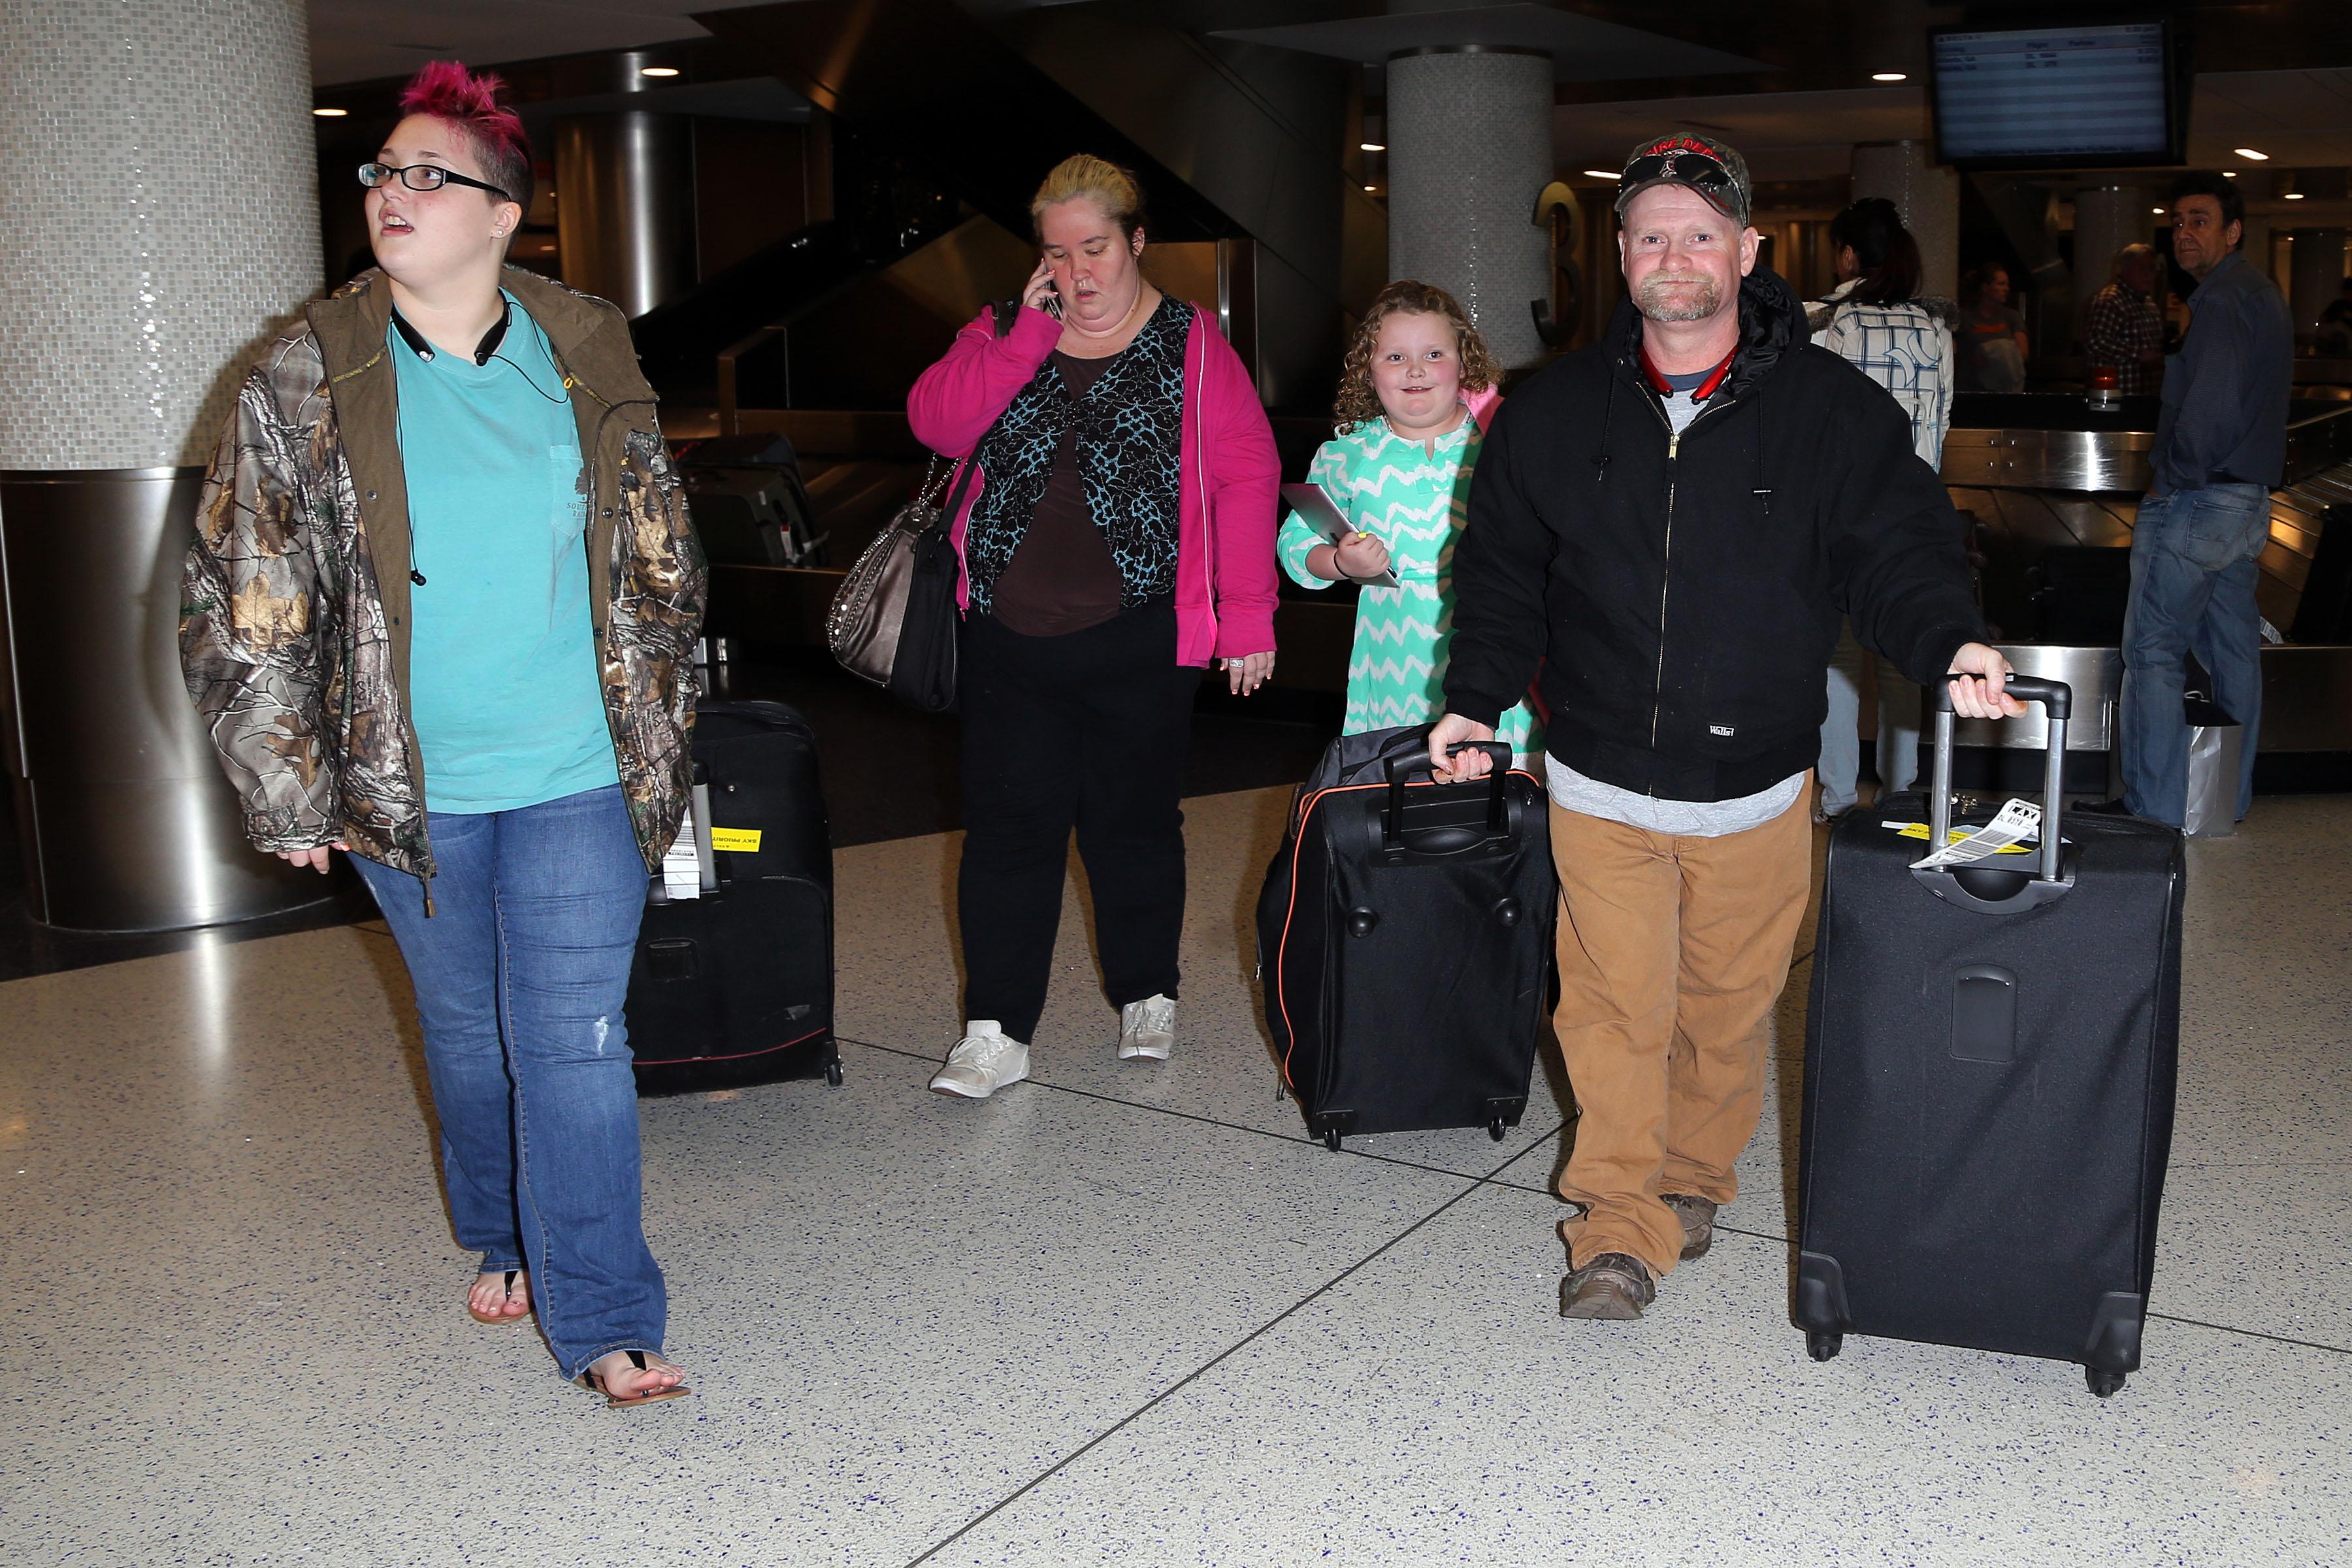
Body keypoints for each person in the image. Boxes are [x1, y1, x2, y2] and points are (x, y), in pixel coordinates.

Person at [180, 62, 704, 1406]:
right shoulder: (300, 375)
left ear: (501, 213)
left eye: (428, 175)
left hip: (583, 766)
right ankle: (504, 1231)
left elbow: (659, 556)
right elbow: (246, 597)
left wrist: (666, 726)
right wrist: (291, 791)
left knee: (574, 1039)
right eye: (381, 174)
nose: (392, 195)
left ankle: (603, 1312)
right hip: (407, 782)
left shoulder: (586, 345)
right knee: (468, 1037)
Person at [1426, 132, 2018, 1321]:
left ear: (1747, 252)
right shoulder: (1550, 417)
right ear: (1623, 254)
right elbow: (1499, 572)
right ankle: (1619, 1226)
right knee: (1612, 1010)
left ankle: (1694, 1180)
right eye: (1652, 233)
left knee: (1724, 1007)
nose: (1676, 255)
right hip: (1597, 776)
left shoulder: (1831, 415)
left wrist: (1948, 642)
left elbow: (1896, 551)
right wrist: (1471, 698)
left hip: (1756, 784)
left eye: (1702, 233)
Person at [906, 155, 1279, 1100]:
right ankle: (995, 1029)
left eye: (1096, 248)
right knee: (1007, 830)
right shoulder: (1002, 328)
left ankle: (1147, 991)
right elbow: (939, 427)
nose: (1077, 272)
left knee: (1135, 823)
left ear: (1138, 241)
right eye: (1057, 252)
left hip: (1140, 631)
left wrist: (1248, 617)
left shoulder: (1196, 343)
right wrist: (1027, 337)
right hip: (1005, 631)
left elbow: (1244, 477)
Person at [1277, 280, 1540, 759]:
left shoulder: (1505, 443)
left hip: (1495, 636)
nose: (1415, 369)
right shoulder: (1346, 455)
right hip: (1391, 651)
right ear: (1368, 371)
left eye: (1434, 354)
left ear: (1464, 363)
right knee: (1402, 788)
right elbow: (1294, 544)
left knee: (1502, 782)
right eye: (1395, 357)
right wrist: (1339, 563)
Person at [2108, 172, 2293, 828]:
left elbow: (2209, 410)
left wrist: (2171, 479)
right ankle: (2226, 798)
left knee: (2155, 650)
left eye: (2201, 220)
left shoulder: (2219, 301)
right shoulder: (2261, 295)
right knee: (2234, 651)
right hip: (2246, 506)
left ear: (2233, 230)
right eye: (2178, 221)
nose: (2185, 232)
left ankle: (2154, 807)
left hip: (2199, 501)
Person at [1806, 197, 1953, 819]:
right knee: (1901, 663)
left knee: (1837, 664)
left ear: (1846, 255)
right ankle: (1902, 798)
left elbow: (1809, 432)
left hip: (1837, 520)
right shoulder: (1936, 330)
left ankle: (1839, 799)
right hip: (1910, 518)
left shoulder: (1824, 325)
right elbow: (1941, 426)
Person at [2084, 242, 2166, 397]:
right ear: (2125, 270)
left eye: (2152, 268)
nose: (2149, 275)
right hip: (2116, 397)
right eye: (2142, 268)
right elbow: (2096, 342)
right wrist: (2139, 355)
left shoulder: (2149, 304)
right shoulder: (2110, 299)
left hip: (2146, 395)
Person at [1955, 264, 2029, 392]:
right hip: (1971, 388)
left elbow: (2023, 353)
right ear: (1985, 288)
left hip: (2006, 390)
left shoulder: (2012, 317)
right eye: (2001, 284)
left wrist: (1996, 353)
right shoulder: (1964, 317)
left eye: (2007, 285)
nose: (2006, 289)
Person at [2315, 276, 2352, 357]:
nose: (2348, 296)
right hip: (2332, 336)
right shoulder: (2338, 305)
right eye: (2347, 293)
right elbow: (2323, 319)